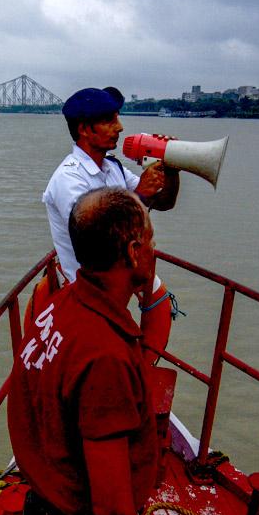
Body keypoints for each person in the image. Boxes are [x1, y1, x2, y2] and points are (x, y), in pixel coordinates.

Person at [8, 188, 159, 515]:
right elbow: (111, 512)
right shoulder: (105, 355)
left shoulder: (63, 302)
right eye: (152, 240)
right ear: (132, 252)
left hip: (44, 503)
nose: (156, 252)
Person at [38, 87, 180, 356]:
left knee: (159, 303)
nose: (120, 127)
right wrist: (140, 195)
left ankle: (141, 370)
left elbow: (163, 203)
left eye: (118, 118)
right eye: (109, 121)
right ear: (84, 129)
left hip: (123, 269)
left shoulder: (111, 167)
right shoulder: (69, 179)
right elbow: (97, 239)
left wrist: (171, 170)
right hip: (89, 282)